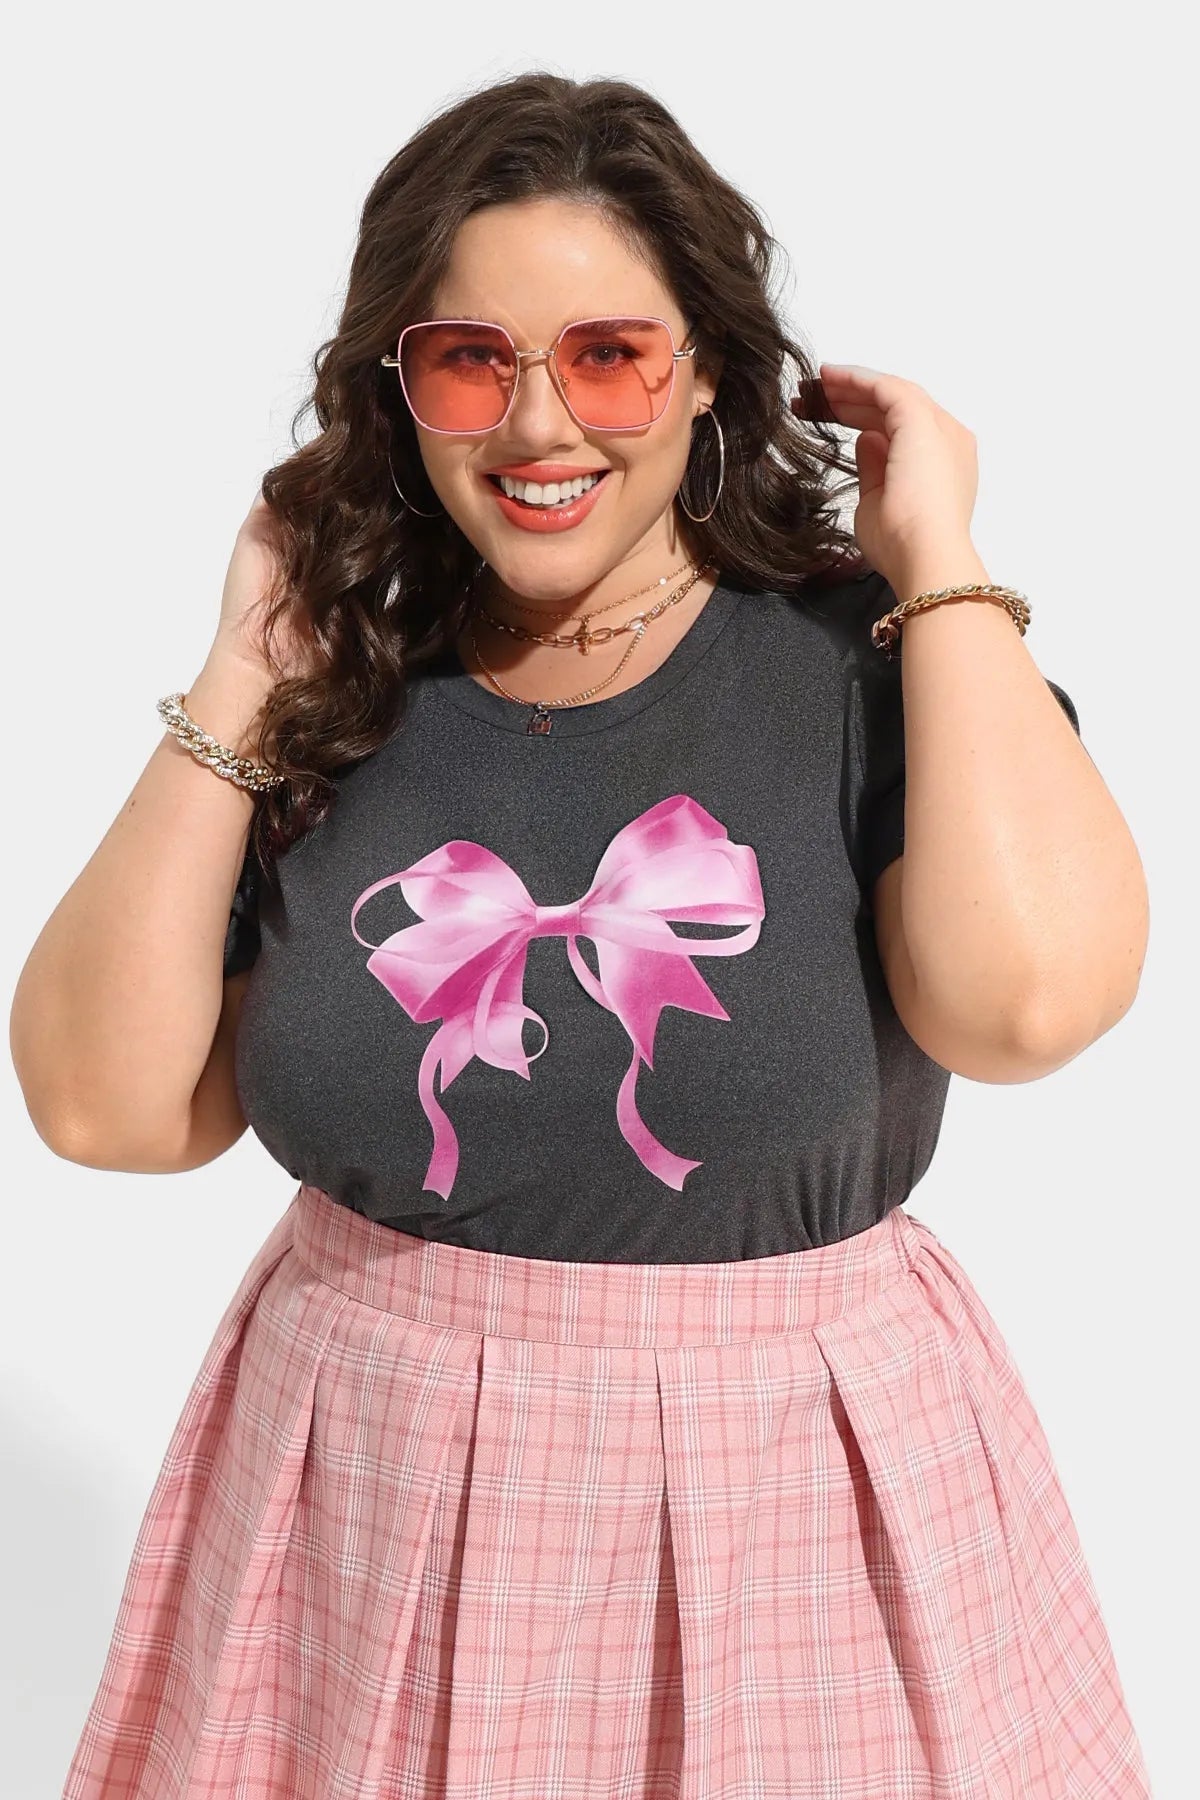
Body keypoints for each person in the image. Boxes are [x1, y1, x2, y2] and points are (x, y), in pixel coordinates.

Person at [15, 69, 1152, 1800]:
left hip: (791, 1519)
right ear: (397, 392)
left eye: (608, 354)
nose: (538, 423)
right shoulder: (338, 689)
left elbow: (1029, 1007)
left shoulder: (869, 665)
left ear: (704, 372)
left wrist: (938, 558)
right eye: (470, 360)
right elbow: (106, 1108)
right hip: (360, 1511)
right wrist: (240, 672)